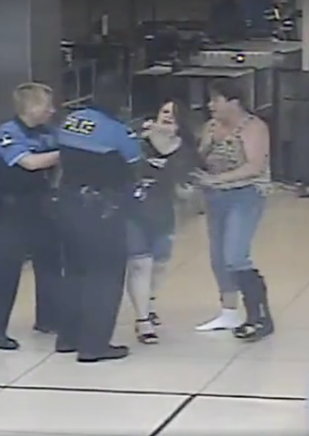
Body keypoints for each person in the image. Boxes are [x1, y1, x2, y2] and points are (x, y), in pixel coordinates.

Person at [54, 74, 142, 363]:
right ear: (120, 100)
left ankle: (68, 337)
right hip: (101, 209)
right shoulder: (118, 130)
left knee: (74, 273)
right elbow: (135, 165)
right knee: (105, 276)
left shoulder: (71, 120)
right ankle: (94, 345)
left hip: (67, 203)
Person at [0, 82, 63, 351]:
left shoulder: (48, 133)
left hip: (41, 206)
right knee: (6, 268)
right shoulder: (9, 132)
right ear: (32, 107)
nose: (52, 110)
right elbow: (29, 162)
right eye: (46, 104)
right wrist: (69, 153)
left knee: (50, 262)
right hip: (11, 210)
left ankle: (49, 319)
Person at [193, 78, 274, 341]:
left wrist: (219, 180)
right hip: (214, 197)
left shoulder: (253, 128)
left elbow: (255, 166)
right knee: (218, 256)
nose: (210, 105)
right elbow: (200, 157)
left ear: (233, 102)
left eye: (216, 100)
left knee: (235, 255)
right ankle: (228, 312)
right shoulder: (211, 127)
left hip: (245, 194)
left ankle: (259, 315)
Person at [125, 99, 196, 344]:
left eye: (174, 114)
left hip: (163, 211)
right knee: (139, 263)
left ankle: (149, 302)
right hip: (132, 210)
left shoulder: (185, 149)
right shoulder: (137, 141)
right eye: (164, 111)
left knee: (160, 263)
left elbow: (184, 184)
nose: (167, 116)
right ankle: (142, 320)